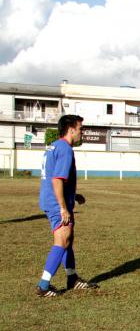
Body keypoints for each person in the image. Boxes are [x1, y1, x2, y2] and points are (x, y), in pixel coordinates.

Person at [37, 115, 98, 297]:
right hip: (56, 202)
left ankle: (72, 278)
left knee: (67, 239)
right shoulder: (65, 149)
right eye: (80, 128)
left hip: (52, 199)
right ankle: (43, 285)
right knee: (62, 239)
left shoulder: (54, 146)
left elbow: (54, 176)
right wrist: (63, 207)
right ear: (71, 129)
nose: (82, 132)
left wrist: (72, 195)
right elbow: (57, 180)